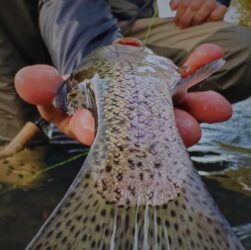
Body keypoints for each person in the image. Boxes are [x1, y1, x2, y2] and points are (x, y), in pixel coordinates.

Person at [1, 0, 251, 148]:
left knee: (243, 51)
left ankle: (157, 120)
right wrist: (94, 71)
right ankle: (18, 142)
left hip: (128, 23)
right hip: (24, 31)